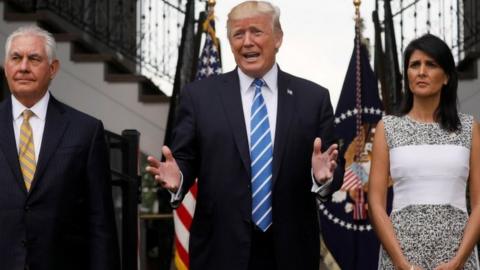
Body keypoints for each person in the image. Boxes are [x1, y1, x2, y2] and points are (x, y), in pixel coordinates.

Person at [146, 1, 343, 269]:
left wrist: (323, 177)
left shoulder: (313, 99)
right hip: (220, 250)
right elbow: (184, 158)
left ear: (278, 38)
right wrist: (178, 177)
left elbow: (333, 167)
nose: (247, 42)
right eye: (238, 34)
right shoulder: (200, 97)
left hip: (291, 252)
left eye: (256, 32)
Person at [0, 25, 120, 270]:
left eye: (34, 59)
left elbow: (100, 223)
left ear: (52, 68)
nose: (23, 67)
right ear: (6, 66)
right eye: (16, 58)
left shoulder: (85, 131)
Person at [368, 33, 480, 270]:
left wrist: (458, 261)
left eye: (431, 64)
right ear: (407, 75)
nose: (421, 71)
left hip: (457, 255)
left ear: (447, 76)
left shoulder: (469, 127)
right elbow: (376, 203)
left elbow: (479, 203)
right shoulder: (387, 127)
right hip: (401, 256)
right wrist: (402, 264)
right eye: (414, 65)